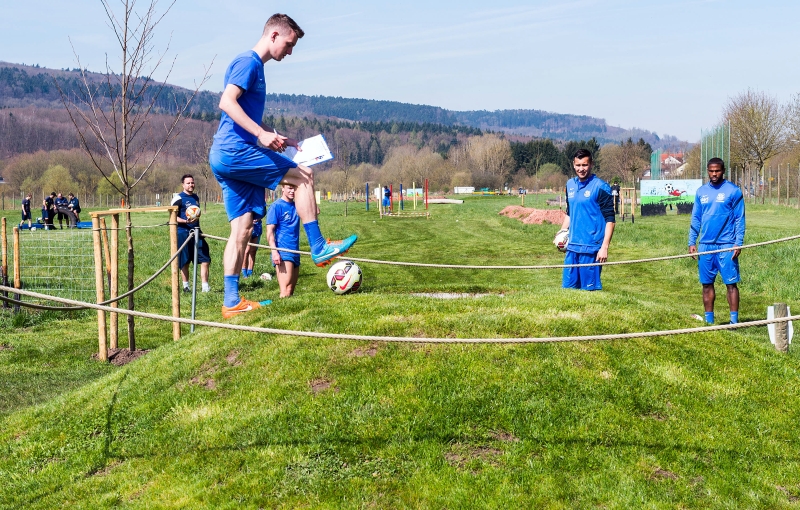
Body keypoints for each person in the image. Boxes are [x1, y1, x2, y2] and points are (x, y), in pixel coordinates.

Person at [209, 13, 357, 318]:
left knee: (242, 229)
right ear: (273, 35)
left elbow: (243, 111)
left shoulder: (254, 67)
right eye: (289, 44)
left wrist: (273, 134)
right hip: (236, 151)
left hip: (226, 155)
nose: (289, 52)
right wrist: (260, 134)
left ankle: (231, 301)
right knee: (303, 176)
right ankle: (318, 246)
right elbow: (227, 102)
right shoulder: (249, 63)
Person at [688, 157, 745, 324]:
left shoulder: (733, 191)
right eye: (711, 171)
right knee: (706, 285)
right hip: (705, 245)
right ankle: (709, 322)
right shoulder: (701, 192)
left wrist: (738, 242)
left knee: (731, 285)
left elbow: (739, 219)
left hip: (727, 245)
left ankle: (734, 322)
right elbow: (696, 218)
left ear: (723, 171)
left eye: (717, 171)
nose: (714, 174)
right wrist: (692, 242)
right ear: (708, 171)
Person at [558, 149, 615, 291]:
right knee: (568, 291)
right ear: (573, 164)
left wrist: (604, 247)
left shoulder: (601, 187)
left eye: (584, 165)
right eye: (578, 165)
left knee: (589, 293)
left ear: (591, 164)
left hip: (591, 248)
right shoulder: (570, 185)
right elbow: (570, 213)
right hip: (572, 247)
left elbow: (610, 220)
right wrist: (562, 233)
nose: (581, 169)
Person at [173, 174, 211, 293]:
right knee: (185, 261)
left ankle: (205, 287)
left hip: (197, 232)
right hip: (183, 233)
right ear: (183, 184)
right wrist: (185, 221)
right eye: (188, 183)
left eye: (192, 182)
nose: (191, 185)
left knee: (205, 259)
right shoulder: (178, 198)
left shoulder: (195, 197)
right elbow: (172, 217)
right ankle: (186, 287)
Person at [267, 184, 300, 297]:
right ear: (283, 188)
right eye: (289, 188)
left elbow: (315, 212)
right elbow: (270, 232)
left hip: (295, 251)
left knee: (290, 290)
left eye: (294, 188)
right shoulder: (276, 206)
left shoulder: (297, 205)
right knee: (285, 290)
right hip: (283, 251)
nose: (292, 191)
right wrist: (274, 252)